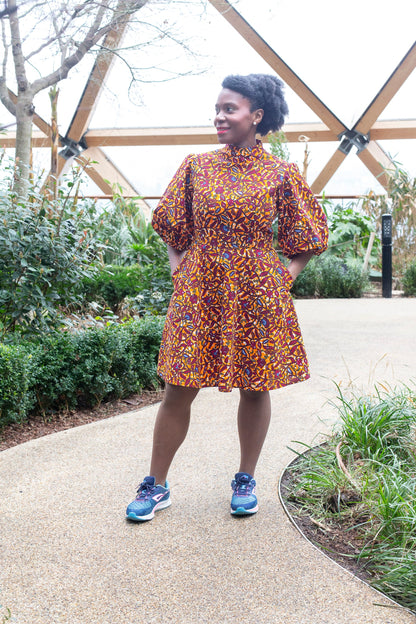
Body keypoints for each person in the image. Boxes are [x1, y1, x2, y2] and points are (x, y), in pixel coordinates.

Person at [126, 73, 328, 522]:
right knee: (179, 387)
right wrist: (177, 262)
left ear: (257, 116)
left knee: (255, 388)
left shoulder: (280, 173)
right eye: (217, 109)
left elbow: (310, 234)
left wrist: (285, 274)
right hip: (200, 288)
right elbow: (170, 224)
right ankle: (156, 484)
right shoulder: (196, 165)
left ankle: (245, 478)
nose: (219, 116)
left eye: (229, 109)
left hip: (258, 290)